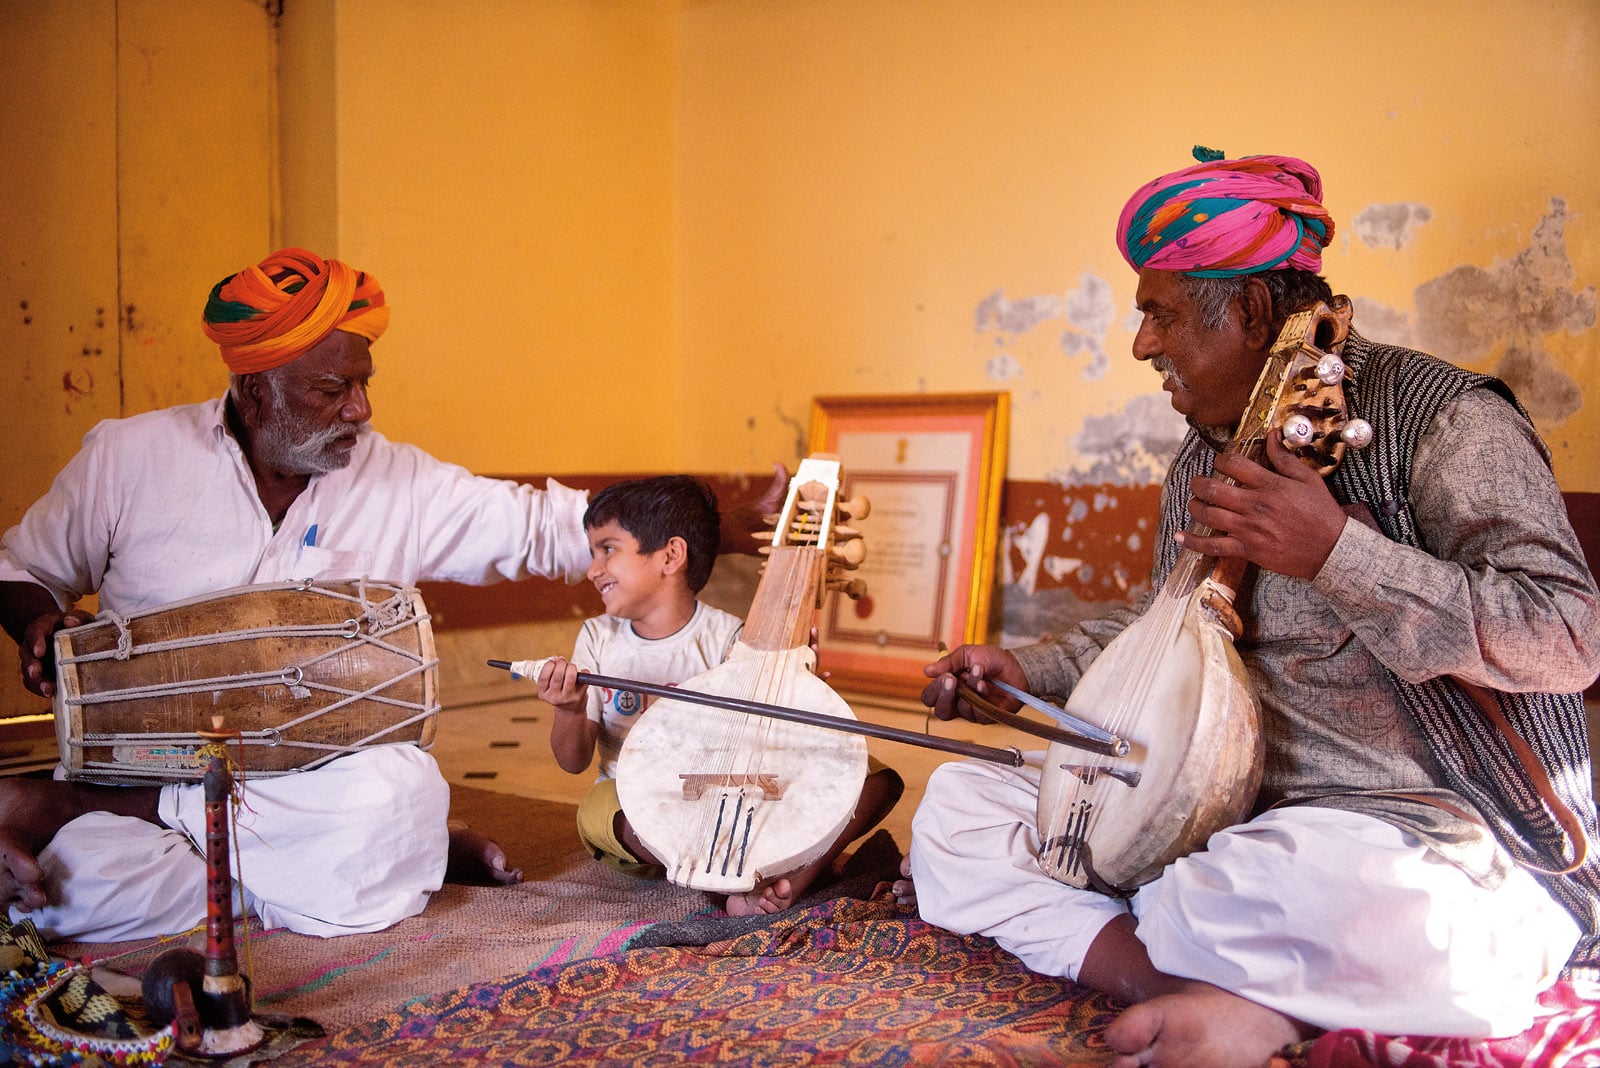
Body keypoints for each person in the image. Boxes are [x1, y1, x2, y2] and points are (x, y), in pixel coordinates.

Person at [901, 152, 1600, 1068]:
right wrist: (1032, 671)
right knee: (955, 808)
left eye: (1162, 313)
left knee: (1273, 898)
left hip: (1423, 834)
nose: (1143, 343)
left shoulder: (1445, 421)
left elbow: (1567, 639)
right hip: (1225, 819)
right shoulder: (1202, 456)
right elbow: (1167, 629)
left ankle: (1195, 965)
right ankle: (1211, 994)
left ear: (1257, 313)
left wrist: (1337, 553)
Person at [0, 248, 782, 942]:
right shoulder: (129, 459)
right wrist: (38, 621)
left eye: (363, 385)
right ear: (255, 387)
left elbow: (546, 525)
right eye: (332, 389)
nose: (359, 410)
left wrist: (707, 522)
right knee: (72, 897)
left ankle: (170, 839)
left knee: (396, 794)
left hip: (323, 781)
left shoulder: (395, 479)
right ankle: (345, 870)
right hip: (156, 764)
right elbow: (18, 568)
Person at [535, 475, 903, 915]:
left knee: (869, 776)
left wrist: (803, 687)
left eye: (608, 549)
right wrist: (570, 710)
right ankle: (724, 883)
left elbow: (776, 736)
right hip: (645, 808)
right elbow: (572, 762)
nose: (593, 569)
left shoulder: (733, 638)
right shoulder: (597, 638)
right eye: (593, 552)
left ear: (671, 555)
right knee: (595, 810)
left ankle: (788, 884)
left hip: (730, 790)